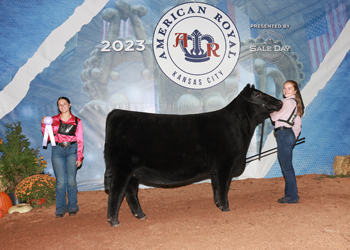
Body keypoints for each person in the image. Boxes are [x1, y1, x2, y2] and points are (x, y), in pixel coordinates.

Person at [41, 97, 84, 217]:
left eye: (64, 104)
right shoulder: (53, 120)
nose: (62, 106)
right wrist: (44, 124)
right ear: (58, 107)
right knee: (60, 182)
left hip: (72, 150)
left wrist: (79, 156)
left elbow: (80, 140)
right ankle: (60, 208)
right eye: (60, 105)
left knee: (71, 181)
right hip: (57, 150)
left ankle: (72, 206)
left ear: (69, 105)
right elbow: (48, 137)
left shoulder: (77, 121)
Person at [270, 80, 304, 204]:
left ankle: (292, 196)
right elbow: (298, 123)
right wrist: (293, 137)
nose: (286, 90)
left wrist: (270, 107)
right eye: (285, 88)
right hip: (285, 135)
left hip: (284, 135)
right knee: (287, 167)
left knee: (287, 168)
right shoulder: (294, 103)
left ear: (295, 91)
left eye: (289, 88)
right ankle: (290, 195)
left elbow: (274, 117)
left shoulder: (288, 102)